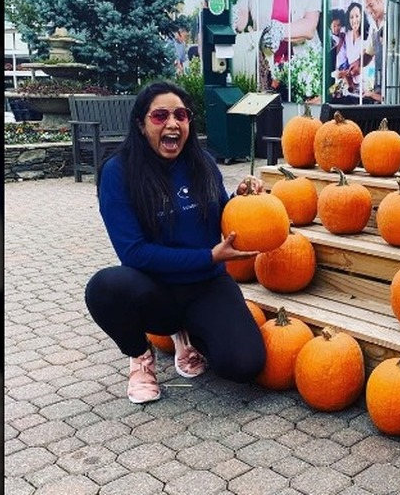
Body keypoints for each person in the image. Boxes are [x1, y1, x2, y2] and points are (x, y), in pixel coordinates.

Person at [85, 80, 267, 404]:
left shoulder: (203, 163)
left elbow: (222, 216)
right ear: (141, 125)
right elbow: (133, 252)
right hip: (156, 290)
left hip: (207, 284)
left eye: (181, 115)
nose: (172, 124)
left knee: (245, 364)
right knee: (104, 287)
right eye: (160, 117)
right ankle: (140, 358)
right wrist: (209, 257)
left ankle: (189, 336)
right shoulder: (118, 172)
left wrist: (243, 201)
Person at [333, 1, 370, 102]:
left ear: (362, 17)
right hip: (350, 86)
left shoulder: (366, 38)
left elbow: (363, 66)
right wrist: (342, 73)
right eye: (351, 17)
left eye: (357, 16)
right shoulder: (347, 36)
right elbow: (342, 58)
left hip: (364, 89)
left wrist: (344, 74)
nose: (354, 20)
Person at [362, 0, 386, 104]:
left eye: (371, 5)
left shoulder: (391, 22)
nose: (370, 11)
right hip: (378, 90)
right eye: (367, 8)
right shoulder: (373, 27)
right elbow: (369, 55)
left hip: (389, 92)